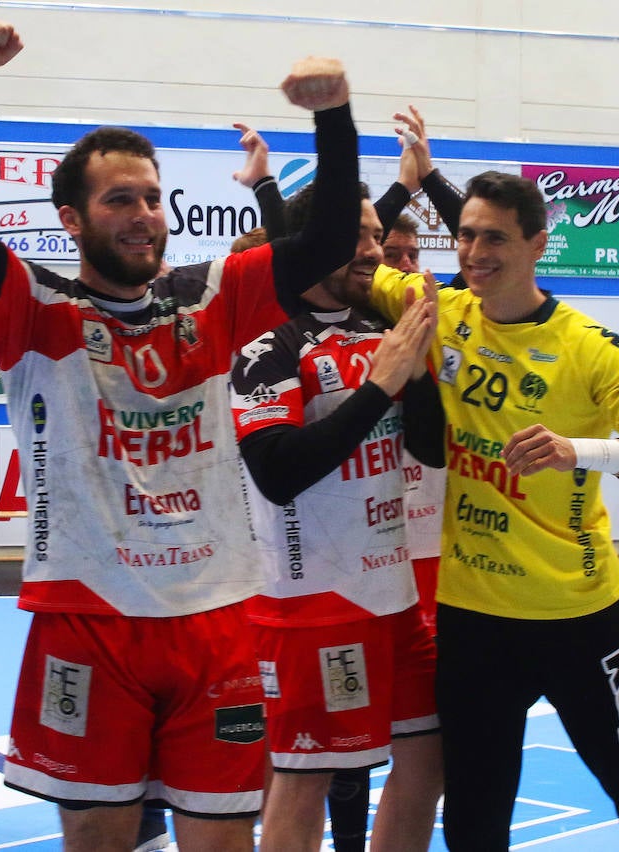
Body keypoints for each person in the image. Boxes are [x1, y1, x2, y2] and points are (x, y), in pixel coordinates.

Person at [0, 11, 360, 850]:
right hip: (86, 619)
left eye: (153, 198)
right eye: (120, 199)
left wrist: (333, 117)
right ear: (72, 219)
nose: (144, 214)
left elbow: (329, 237)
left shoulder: (214, 293)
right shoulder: (32, 308)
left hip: (217, 619)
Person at [369, 170, 619, 851]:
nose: (474, 252)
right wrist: (403, 183)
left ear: (538, 245)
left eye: (494, 237)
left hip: (582, 618)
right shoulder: (439, 310)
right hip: (477, 618)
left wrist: (579, 451)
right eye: (464, 235)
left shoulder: (586, 347)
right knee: (473, 820)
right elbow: (335, 260)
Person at [231, 183, 443, 851]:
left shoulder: (386, 333)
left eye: (376, 238)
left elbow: (430, 448)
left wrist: (422, 363)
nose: (374, 250)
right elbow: (279, 472)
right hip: (312, 604)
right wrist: (381, 383)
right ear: (311, 244)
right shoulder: (269, 349)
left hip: (396, 599)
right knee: (305, 779)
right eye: (358, 237)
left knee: (428, 764)